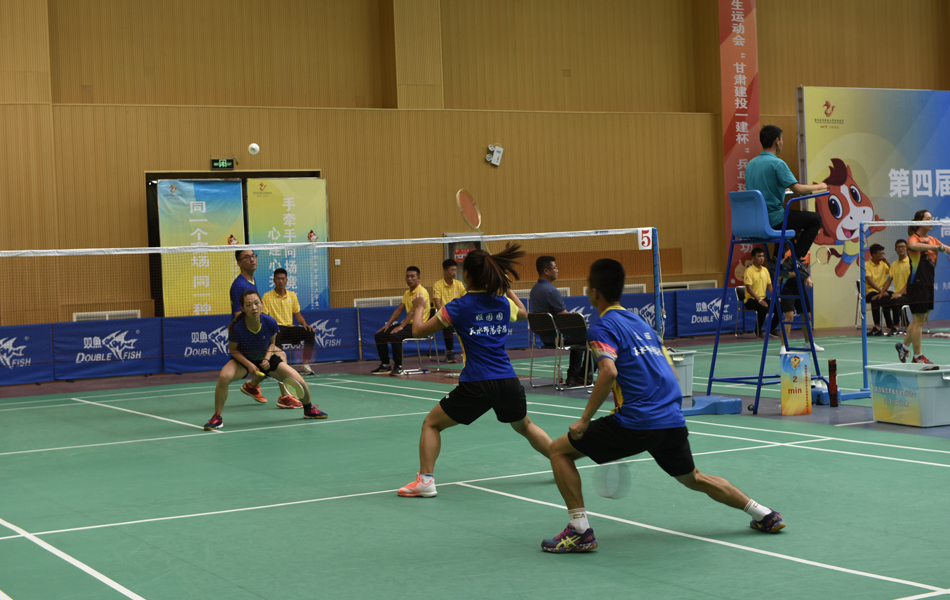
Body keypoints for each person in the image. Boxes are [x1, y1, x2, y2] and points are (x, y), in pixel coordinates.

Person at [541, 259, 784, 553]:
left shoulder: (601, 328)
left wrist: (584, 420)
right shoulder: (644, 326)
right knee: (695, 478)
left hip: (636, 421)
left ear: (593, 292)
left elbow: (608, 371)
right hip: (671, 419)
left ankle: (580, 531)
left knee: (558, 451)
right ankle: (764, 514)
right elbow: (670, 374)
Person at [397, 244, 553, 498]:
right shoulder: (503, 303)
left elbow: (417, 331)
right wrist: (507, 289)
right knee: (525, 426)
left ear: (467, 274)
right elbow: (524, 313)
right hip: (508, 381)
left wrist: (419, 306)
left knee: (431, 424)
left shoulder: (458, 307)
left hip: (477, 383)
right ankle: (561, 461)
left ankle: (425, 481)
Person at [203, 290, 327, 430]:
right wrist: (249, 365)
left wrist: (267, 359)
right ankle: (217, 417)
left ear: (261, 304)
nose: (254, 307)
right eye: (249, 305)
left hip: (266, 358)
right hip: (243, 360)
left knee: (300, 381)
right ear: (243, 308)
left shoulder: (270, 322)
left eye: (256, 303)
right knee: (224, 376)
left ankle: (308, 409)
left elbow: (272, 344)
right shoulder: (237, 327)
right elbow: (233, 350)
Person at [745, 125, 828, 263]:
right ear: (777, 141)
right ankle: (795, 259)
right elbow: (798, 189)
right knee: (816, 219)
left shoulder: (750, 165)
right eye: (782, 139)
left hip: (755, 221)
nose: (782, 143)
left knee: (787, 217)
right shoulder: (777, 164)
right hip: (774, 220)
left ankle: (777, 258)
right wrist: (820, 186)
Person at [229, 250, 300, 408]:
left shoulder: (251, 280)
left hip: (255, 335)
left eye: (253, 256)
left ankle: (253, 386)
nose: (252, 259)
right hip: (248, 340)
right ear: (239, 263)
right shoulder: (239, 285)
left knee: (274, 358)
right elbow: (239, 315)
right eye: (247, 257)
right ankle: (284, 396)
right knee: (278, 356)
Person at [896, 210, 950, 365]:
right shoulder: (915, 238)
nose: (931, 221)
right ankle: (918, 356)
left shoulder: (932, 239)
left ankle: (903, 346)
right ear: (920, 221)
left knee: (922, 318)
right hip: (917, 283)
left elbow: (946, 248)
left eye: (932, 218)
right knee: (919, 320)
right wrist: (936, 248)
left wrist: (941, 247)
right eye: (928, 218)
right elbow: (912, 245)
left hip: (928, 283)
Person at [530, 255, 590, 386]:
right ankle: (584, 375)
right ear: (546, 271)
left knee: (578, 336)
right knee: (594, 336)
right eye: (555, 268)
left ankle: (574, 377)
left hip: (545, 338)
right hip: (558, 337)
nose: (557, 270)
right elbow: (565, 317)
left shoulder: (534, 290)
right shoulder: (551, 291)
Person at [372, 266, 431, 376]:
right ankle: (385, 365)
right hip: (409, 325)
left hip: (420, 326)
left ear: (418, 278)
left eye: (412, 276)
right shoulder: (407, 293)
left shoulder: (421, 292)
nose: (409, 279)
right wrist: (388, 324)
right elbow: (399, 310)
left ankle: (398, 366)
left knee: (395, 335)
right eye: (407, 276)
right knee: (380, 335)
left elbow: (413, 312)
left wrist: (401, 326)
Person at [262, 268, 317, 375]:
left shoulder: (292, 295)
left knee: (310, 333)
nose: (281, 281)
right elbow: (264, 316)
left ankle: (305, 365)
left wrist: (304, 324)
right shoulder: (267, 296)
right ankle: (281, 367)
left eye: (283, 279)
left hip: (289, 329)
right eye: (278, 279)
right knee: (275, 336)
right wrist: (273, 327)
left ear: (287, 280)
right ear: (274, 280)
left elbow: (298, 314)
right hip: (276, 329)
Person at [778, 249, 823, 352]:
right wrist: (797, 274)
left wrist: (808, 278)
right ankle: (784, 346)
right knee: (789, 316)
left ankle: (808, 343)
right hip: (788, 287)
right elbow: (780, 273)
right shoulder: (788, 253)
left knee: (807, 316)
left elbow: (805, 269)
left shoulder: (808, 253)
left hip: (800, 287)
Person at [432, 259, 467, 363]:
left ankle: (470, 351)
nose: (454, 272)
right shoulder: (437, 285)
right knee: (448, 325)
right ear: (445, 270)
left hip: (458, 315)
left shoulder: (459, 284)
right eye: (452, 270)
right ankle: (450, 352)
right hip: (444, 315)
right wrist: (445, 315)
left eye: (456, 270)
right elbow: (437, 303)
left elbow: (465, 299)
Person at [743, 248, 780, 338]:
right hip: (751, 300)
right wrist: (759, 300)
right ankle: (757, 330)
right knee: (763, 308)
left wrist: (776, 297)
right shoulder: (749, 271)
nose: (762, 258)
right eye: (759, 256)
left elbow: (770, 286)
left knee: (779, 307)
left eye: (763, 256)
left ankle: (772, 329)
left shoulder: (765, 270)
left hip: (764, 298)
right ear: (753, 258)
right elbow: (749, 289)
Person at [864, 243, 895, 336]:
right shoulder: (866, 265)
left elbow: (893, 273)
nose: (882, 256)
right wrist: (881, 292)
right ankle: (878, 326)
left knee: (894, 297)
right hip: (871, 291)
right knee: (877, 299)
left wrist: (888, 263)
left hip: (883, 291)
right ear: (873, 254)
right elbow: (870, 281)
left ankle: (895, 325)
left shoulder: (883, 264)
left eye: (883, 253)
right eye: (880, 254)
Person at [888, 239, 910, 334]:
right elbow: (889, 280)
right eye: (898, 247)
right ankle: (883, 326)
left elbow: (910, 281)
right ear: (895, 249)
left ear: (906, 248)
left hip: (910, 294)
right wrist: (881, 293)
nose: (901, 249)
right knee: (885, 299)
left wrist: (900, 293)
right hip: (898, 295)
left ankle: (896, 327)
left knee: (895, 300)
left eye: (903, 247)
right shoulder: (894, 264)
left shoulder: (911, 262)